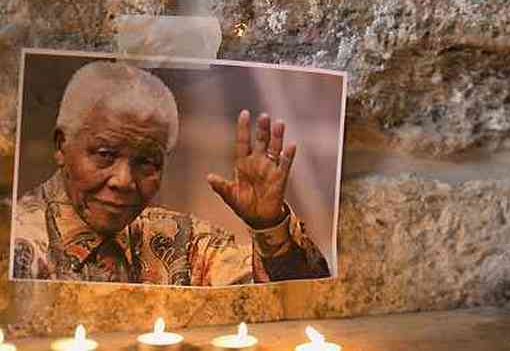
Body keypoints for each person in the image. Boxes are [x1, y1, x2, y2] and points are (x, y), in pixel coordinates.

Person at [12, 60, 330, 285]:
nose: (124, 181)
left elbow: (299, 305)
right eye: (105, 155)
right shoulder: (15, 241)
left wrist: (268, 225)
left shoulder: (183, 242)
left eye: (146, 163)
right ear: (61, 146)